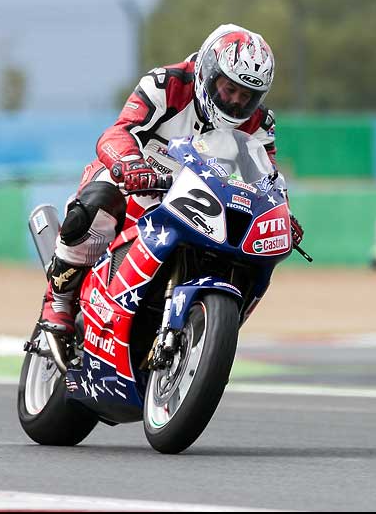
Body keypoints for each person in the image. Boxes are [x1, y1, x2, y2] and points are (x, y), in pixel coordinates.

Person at [39, 24, 305, 337]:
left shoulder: (259, 123)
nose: (235, 102)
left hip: (202, 204)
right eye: (228, 89)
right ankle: (58, 298)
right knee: (97, 202)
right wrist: (130, 165)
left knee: (248, 252)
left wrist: (281, 214)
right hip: (140, 183)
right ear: (207, 72)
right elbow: (119, 131)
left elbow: (267, 176)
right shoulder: (167, 83)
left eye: (246, 96)